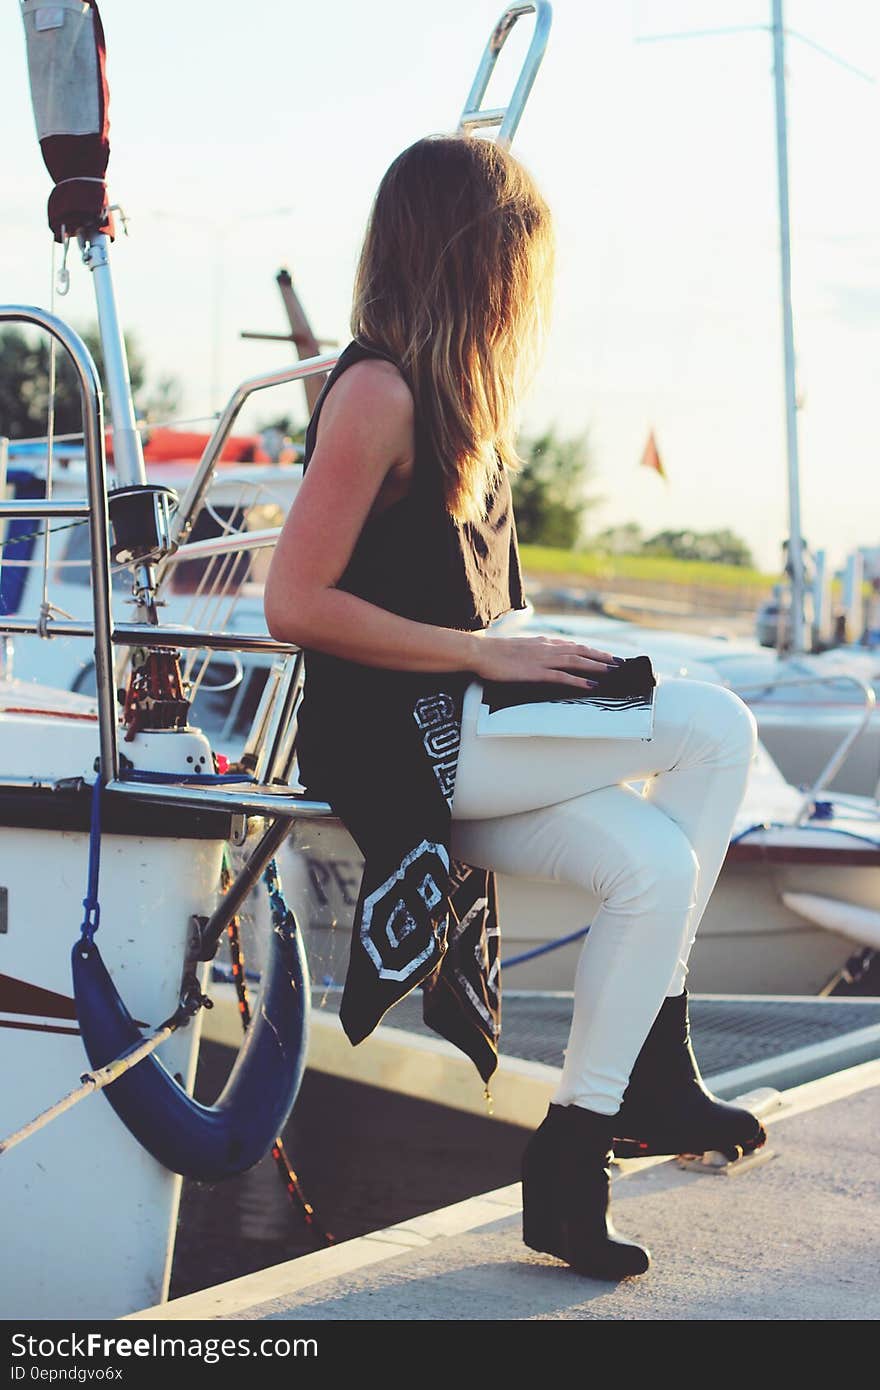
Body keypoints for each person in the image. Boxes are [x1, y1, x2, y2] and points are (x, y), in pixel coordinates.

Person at [264, 133, 765, 1283]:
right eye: (519, 261)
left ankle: (574, 1151)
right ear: (470, 258)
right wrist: (488, 661)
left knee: (652, 861)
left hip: (475, 732)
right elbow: (292, 602)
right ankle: (651, 1071)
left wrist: (528, 656)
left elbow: (485, 610)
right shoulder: (378, 392)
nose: (530, 293)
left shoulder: (470, 412)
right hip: (406, 740)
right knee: (713, 725)